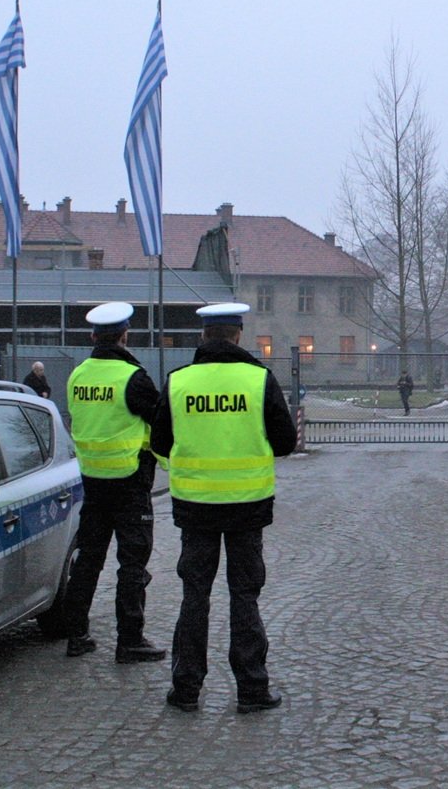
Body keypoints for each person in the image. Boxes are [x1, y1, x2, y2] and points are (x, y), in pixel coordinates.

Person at [150, 302, 297, 714]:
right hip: (247, 508)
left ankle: (186, 689)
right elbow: (285, 442)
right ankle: (251, 689)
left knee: (194, 596)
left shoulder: (178, 382)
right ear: (238, 335)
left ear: (203, 335)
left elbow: (159, 444)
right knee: (244, 596)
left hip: (195, 508)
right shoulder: (258, 379)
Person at [62, 302, 167, 664]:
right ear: (125, 336)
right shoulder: (132, 377)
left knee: (88, 559)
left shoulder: (77, 375)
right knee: (132, 563)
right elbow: (159, 419)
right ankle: (130, 640)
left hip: (92, 481)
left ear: (93, 336)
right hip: (129, 482)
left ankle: (75, 634)